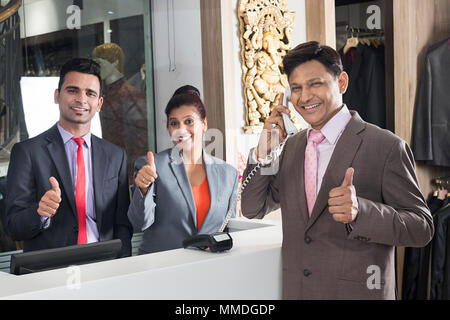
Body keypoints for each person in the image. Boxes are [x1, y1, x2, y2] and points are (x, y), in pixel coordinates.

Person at [240, 41, 434, 299]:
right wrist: (263, 152)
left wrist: (360, 212)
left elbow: (422, 227)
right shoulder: (292, 147)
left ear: (342, 83)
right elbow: (253, 208)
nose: (304, 96)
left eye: (315, 84)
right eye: (296, 88)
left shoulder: (387, 147)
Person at [4, 58, 133, 257]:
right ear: (57, 96)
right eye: (73, 91)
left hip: (104, 266)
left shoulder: (115, 156)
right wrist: (39, 213)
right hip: (51, 271)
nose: (81, 100)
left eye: (90, 93)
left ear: (99, 103)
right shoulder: (28, 152)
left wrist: (121, 265)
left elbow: (122, 225)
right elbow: (13, 227)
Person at [127, 86, 238, 254]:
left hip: (210, 270)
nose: (181, 130)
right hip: (163, 270)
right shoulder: (151, 166)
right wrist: (143, 190)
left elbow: (229, 229)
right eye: (174, 123)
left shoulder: (228, 174)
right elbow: (139, 223)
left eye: (189, 121)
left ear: (204, 124)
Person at [92, 43, 148, 184]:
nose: (98, 68)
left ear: (115, 62)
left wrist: (131, 176)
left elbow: (140, 141)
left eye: (100, 63)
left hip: (125, 174)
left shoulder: (131, 96)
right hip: (107, 168)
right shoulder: (102, 94)